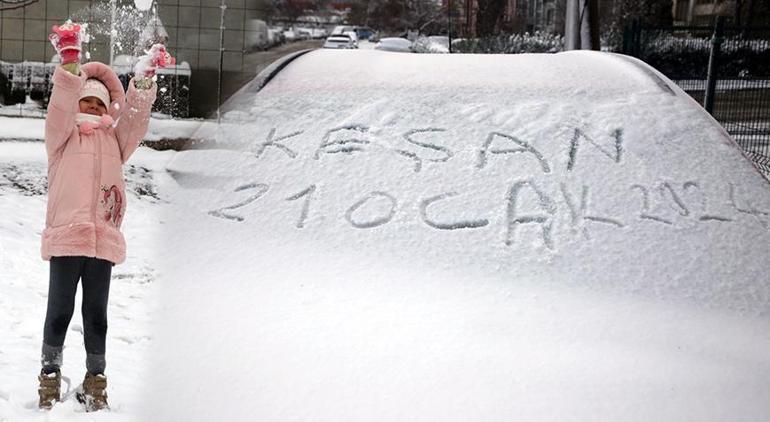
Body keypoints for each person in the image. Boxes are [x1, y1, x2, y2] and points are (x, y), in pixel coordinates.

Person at [37, 20, 172, 412]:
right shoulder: (62, 138)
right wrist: (70, 63)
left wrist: (143, 80)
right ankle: (49, 376)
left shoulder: (116, 141)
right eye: (86, 102)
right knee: (59, 311)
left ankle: (96, 380)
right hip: (67, 237)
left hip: (102, 243)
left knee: (97, 316)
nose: (92, 108)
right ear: (77, 104)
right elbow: (61, 104)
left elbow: (133, 120)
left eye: (98, 103)